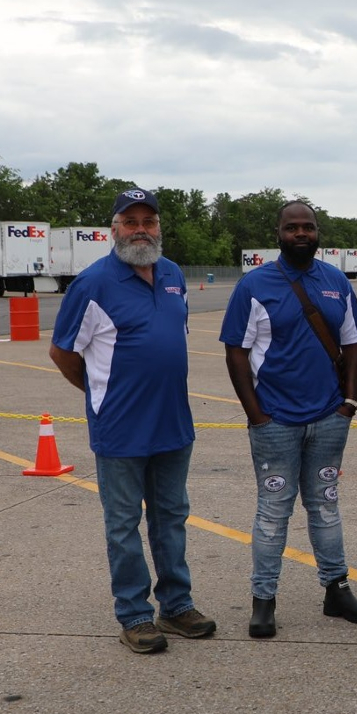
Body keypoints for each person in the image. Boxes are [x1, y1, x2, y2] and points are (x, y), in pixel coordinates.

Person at [49, 188, 216, 654]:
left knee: (171, 519)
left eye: (149, 221)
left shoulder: (173, 275)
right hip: (121, 430)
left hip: (173, 423)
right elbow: (63, 353)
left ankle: (176, 606)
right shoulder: (93, 284)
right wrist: (101, 395)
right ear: (114, 229)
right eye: (131, 221)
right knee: (123, 525)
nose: (141, 230)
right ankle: (134, 614)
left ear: (159, 227)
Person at [220, 201, 357, 639]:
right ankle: (263, 599)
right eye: (292, 228)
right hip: (276, 422)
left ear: (318, 232)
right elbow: (236, 351)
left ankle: (336, 589)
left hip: (328, 418)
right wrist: (256, 415)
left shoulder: (336, 281)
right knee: (273, 510)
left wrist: (349, 404)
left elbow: (353, 344)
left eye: (308, 226)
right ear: (279, 233)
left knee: (325, 505)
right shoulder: (254, 285)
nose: (301, 233)